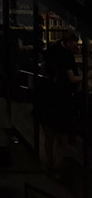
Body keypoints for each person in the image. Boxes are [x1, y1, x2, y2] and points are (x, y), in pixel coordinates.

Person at [39, 29, 82, 173]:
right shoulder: (65, 57)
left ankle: (52, 163)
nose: (78, 46)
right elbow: (72, 78)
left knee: (49, 136)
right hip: (60, 102)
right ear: (68, 43)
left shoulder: (55, 50)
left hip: (49, 101)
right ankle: (57, 165)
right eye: (76, 44)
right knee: (61, 135)